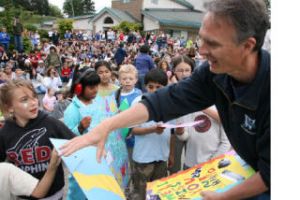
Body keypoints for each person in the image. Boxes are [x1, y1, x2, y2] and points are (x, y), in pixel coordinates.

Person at [61, 0, 270, 199]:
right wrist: (107, 125)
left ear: (247, 46)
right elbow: (166, 100)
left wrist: (224, 197)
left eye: (213, 44)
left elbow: (271, 175)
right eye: (201, 38)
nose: (201, 50)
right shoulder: (215, 73)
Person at [0, 79, 76, 199]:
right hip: (24, 195)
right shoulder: (5, 133)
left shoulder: (51, 123)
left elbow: (75, 143)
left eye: (34, 96)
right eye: (24, 99)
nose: (34, 102)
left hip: (54, 193)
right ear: (9, 107)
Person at [64, 67, 129, 199]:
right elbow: (67, 139)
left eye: (96, 86)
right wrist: (80, 128)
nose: (95, 90)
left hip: (100, 156)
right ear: (79, 88)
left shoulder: (97, 102)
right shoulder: (72, 110)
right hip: (83, 161)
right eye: (91, 88)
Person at [131, 68, 174, 200]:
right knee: (141, 193)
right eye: (150, 86)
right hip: (143, 158)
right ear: (145, 86)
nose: (154, 90)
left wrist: (171, 154)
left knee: (157, 193)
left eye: (158, 87)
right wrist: (152, 129)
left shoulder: (170, 103)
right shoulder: (138, 102)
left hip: (161, 157)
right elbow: (133, 130)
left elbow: (171, 131)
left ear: (165, 87)